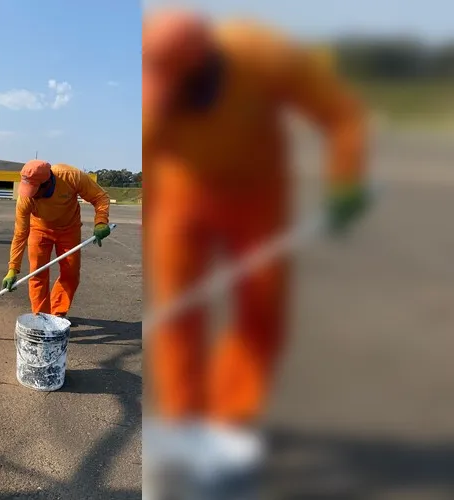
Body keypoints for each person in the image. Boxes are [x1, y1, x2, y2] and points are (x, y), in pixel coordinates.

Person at [141, 9, 371, 498]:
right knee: (178, 313)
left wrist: (346, 180)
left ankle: (229, 426)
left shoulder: (263, 54)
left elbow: (341, 114)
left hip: (257, 198)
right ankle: (184, 429)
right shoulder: (153, 93)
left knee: (261, 312)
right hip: (184, 197)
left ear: (203, 62)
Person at [2, 160, 112, 321]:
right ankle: (42, 317)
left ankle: (57, 314)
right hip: (39, 229)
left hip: (69, 229)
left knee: (71, 274)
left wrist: (101, 221)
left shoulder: (71, 176)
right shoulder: (25, 199)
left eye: (35, 190)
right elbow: (20, 234)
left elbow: (100, 197)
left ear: (47, 183)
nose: (31, 195)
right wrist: (13, 268)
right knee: (37, 274)